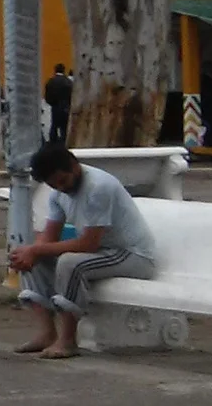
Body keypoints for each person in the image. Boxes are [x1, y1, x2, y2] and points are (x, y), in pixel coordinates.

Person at [11, 144, 159, 360]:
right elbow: (49, 237)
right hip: (102, 253)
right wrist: (29, 253)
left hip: (133, 255)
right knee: (33, 258)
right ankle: (46, 333)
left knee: (70, 263)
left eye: (63, 181)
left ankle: (68, 340)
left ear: (74, 166)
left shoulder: (98, 187)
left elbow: (88, 243)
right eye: (54, 185)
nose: (61, 188)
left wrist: (37, 248)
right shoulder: (57, 194)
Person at [43, 63, 74, 145]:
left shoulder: (51, 81)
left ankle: (53, 143)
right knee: (64, 128)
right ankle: (64, 144)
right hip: (66, 107)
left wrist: (52, 103)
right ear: (64, 70)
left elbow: (47, 96)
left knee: (54, 125)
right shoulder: (68, 82)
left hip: (55, 107)